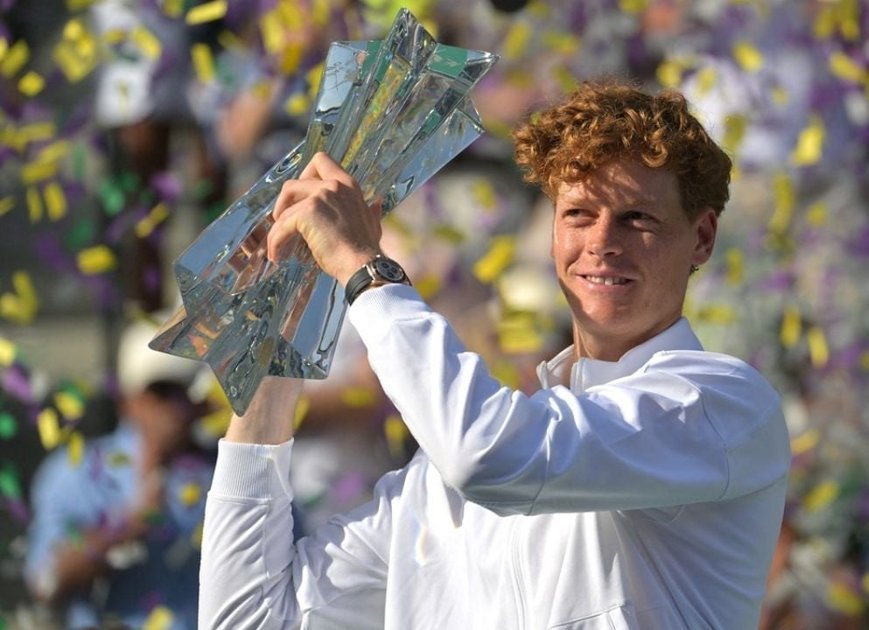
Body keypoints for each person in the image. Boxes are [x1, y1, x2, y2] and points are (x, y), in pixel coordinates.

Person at [198, 79, 791, 628]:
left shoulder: (722, 404)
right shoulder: (441, 478)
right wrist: (283, 326)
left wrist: (362, 268)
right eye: (578, 214)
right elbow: (250, 619)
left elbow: (489, 456)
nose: (601, 243)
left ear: (702, 238)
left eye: (638, 218)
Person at [23, 315, 215, 630]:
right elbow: (47, 582)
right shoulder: (75, 473)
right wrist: (128, 525)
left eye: (185, 392)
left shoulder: (231, 474)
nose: (175, 408)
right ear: (128, 401)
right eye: (161, 392)